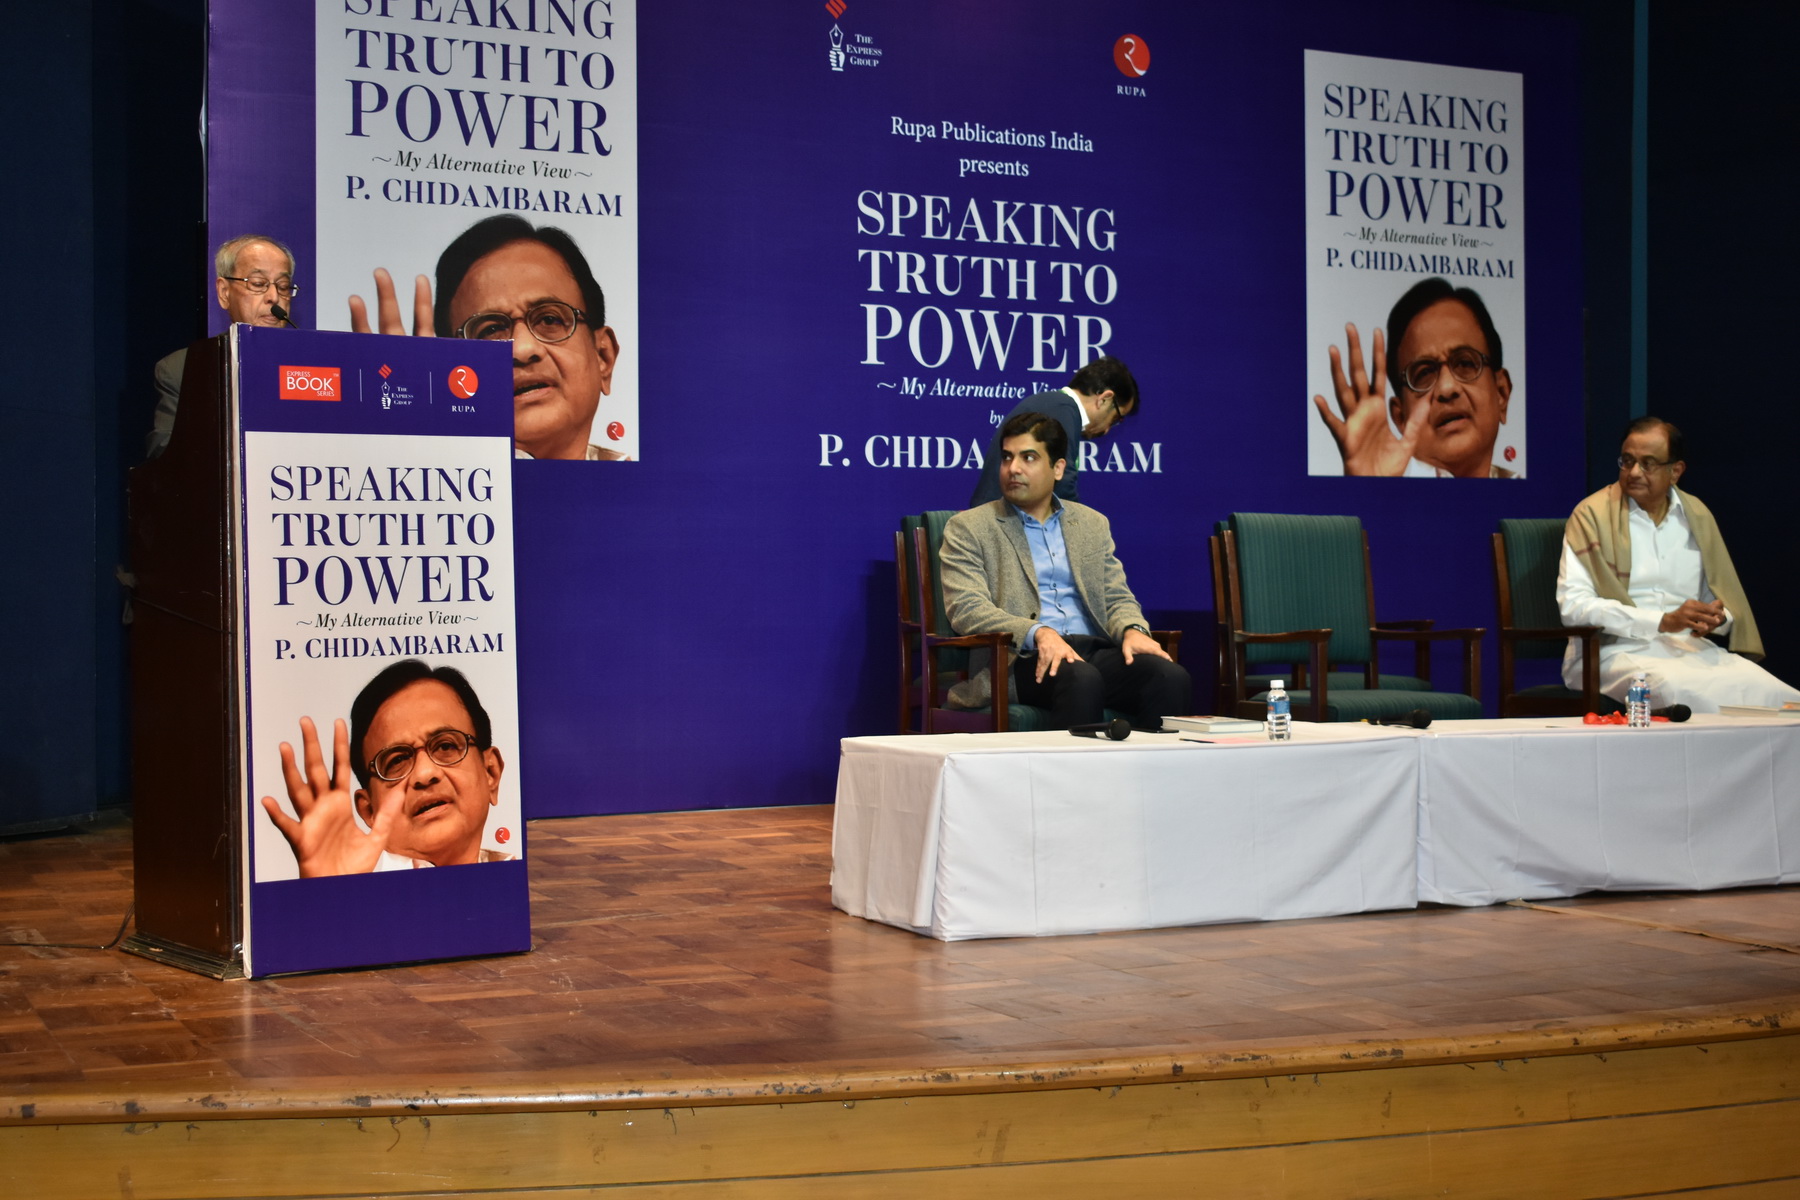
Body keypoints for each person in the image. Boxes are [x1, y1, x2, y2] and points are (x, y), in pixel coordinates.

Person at [940, 410, 1191, 730]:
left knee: (1169, 676)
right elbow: (966, 609)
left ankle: (1150, 777)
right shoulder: (970, 527)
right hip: (1020, 659)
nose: (1013, 468)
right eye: (1007, 457)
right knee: (1079, 677)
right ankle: (1072, 781)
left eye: (1028, 457)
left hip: (1093, 649)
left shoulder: (1091, 523)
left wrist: (1132, 629)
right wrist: (1039, 633)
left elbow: (1116, 596)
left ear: (1058, 468)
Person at [1558, 417, 1799, 712]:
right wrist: (1661, 621)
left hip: (1690, 650)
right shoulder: (1591, 515)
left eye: (1648, 464)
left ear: (1675, 471)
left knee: (1785, 702)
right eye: (1627, 461)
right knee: (1684, 696)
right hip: (1612, 652)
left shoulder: (1696, 516)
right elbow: (1574, 607)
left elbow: (1722, 604)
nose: (1634, 472)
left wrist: (1717, 619)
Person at [349, 215, 625, 461]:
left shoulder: (651, 495)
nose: (521, 348)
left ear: (603, 357)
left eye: (549, 320)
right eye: (491, 330)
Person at [260, 660, 512, 876]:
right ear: (369, 810)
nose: (424, 774)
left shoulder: (515, 872)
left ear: (491, 773)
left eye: (446, 746)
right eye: (397, 761)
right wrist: (332, 892)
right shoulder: (350, 885)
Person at [1313, 276, 1519, 479]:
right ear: (1400, 418)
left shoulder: (1538, 504)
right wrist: (1370, 491)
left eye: (1465, 363)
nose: (1447, 388)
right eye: (1424, 373)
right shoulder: (1381, 488)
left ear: (1501, 393)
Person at [148, 233, 296, 458]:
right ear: (224, 292)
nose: (274, 297)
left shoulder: (318, 366)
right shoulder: (183, 369)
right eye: (258, 284)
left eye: (283, 286)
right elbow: (164, 454)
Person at [967, 356, 1138, 506]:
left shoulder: (1058, 406)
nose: (1107, 430)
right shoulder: (1062, 411)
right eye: (1116, 418)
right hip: (999, 528)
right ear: (1105, 399)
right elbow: (1063, 490)